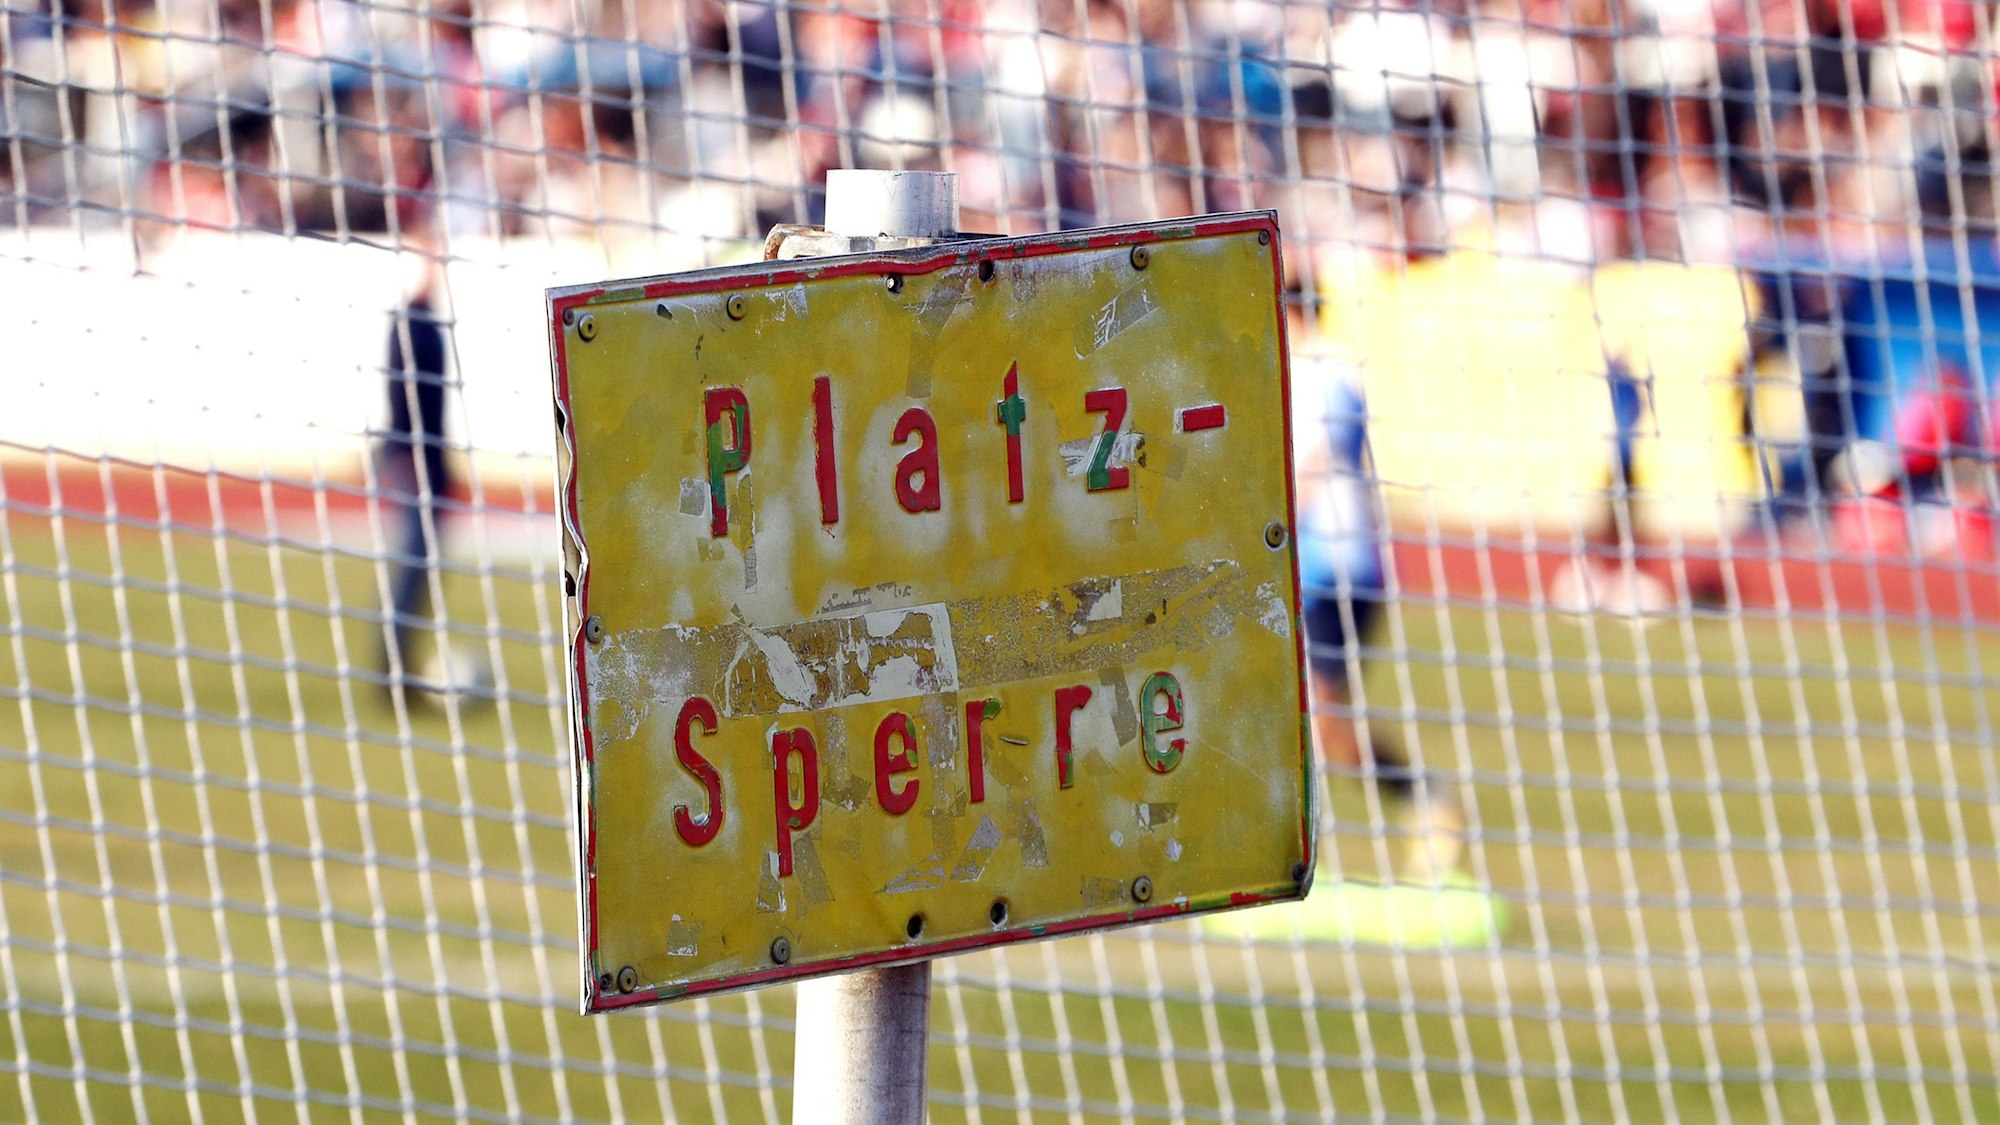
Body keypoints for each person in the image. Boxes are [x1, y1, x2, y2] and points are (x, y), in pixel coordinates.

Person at [1290, 341, 1466, 888]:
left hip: (1334, 564)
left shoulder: (1315, 371)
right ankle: (1423, 803)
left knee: (1321, 721)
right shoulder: (1318, 369)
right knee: (1318, 727)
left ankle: (1427, 801)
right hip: (1326, 563)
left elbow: (1316, 462)